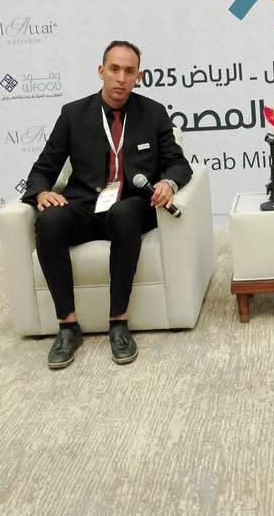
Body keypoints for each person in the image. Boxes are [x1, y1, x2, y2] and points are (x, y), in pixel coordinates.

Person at [22, 40, 192, 369]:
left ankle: (118, 323)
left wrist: (168, 183)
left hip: (131, 206)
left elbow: (178, 164)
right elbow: (43, 168)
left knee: (124, 213)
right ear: (101, 71)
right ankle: (68, 326)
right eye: (114, 69)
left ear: (139, 77)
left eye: (129, 71)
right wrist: (41, 193)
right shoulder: (73, 114)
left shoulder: (153, 113)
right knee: (50, 221)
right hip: (86, 205)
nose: (121, 78)